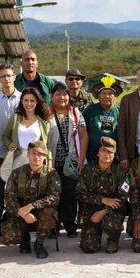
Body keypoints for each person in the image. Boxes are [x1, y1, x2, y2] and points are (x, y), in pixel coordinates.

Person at [1, 140, 62, 259]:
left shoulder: (51, 173)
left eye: (40, 154)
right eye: (33, 153)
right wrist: (22, 213)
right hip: (21, 213)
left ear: (45, 156)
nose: (37, 157)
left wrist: (32, 206)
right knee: (9, 235)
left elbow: (55, 197)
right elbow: (9, 197)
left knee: (49, 212)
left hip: (40, 213)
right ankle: (24, 239)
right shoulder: (17, 173)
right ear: (28, 154)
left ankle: (39, 243)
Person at [76, 137, 129, 254]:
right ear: (98, 153)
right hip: (92, 209)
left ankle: (113, 239)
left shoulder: (120, 172)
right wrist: (102, 200)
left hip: (113, 210)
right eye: (103, 150)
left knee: (111, 222)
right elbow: (80, 193)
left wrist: (104, 211)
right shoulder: (88, 170)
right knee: (89, 248)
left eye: (110, 152)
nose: (107, 154)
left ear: (114, 155)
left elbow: (123, 197)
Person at [0, 63, 21, 237]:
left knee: (17, 190)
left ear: (14, 77)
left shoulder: (23, 99)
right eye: (2, 76)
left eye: (9, 75)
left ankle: (16, 221)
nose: (6, 79)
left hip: (19, 153)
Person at [49, 82, 87, 237]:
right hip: (51, 162)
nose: (61, 97)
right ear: (51, 97)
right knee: (53, 195)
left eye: (64, 94)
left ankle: (70, 225)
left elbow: (84, 136)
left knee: (70, 194)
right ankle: (53, 226)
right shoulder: (46, 113)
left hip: (70, 162)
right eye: (57, 94)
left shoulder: (76, 113)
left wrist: (81, 157)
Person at [1, 87, 56, 177]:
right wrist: (9, 144)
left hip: (37, 159)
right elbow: (5, 136)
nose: (29, 104)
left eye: (32, 101)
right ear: (21, 101)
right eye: (26, 100)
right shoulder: (15, 118)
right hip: (18, 159)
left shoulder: (43, 121)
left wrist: (49, 162)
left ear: (37, 102)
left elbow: (48, 144)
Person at [83, 76, 122, 162]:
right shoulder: (90, 110)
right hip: (92, 155)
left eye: (110, 93)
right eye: (103, 93)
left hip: (112, 156)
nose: (106, 96)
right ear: (99, 96)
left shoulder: (120, 112)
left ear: (115, 97)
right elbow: (81, 132)